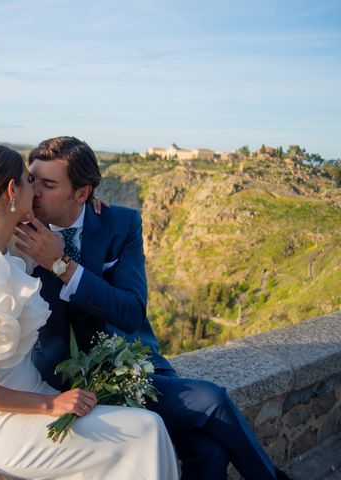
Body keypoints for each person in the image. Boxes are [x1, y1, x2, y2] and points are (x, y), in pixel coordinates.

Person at [14, 136, 289, 480]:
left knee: (208, 449)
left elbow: (131, 312)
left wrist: (62, 264)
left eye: (49, 184)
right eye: (32, 180)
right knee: (211, 406)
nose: (35, 192)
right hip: (68, 384)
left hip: (134, 365)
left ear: (83, 194)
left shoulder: (120, 223)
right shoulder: (16, 233)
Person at [0, 142, 178, 479]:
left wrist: (84, 203)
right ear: (11, 191)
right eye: (30, 181)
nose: (39, 189)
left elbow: (72, 227)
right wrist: (50, 405)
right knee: (146, 430)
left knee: (149, 430)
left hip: (35, 395)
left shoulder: (10, 252)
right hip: (5, 423)